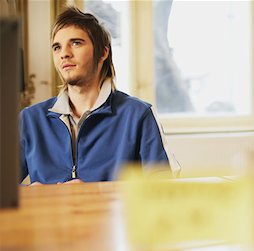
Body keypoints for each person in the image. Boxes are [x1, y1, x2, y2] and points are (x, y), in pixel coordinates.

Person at [20, 6, 179, 185]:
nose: (64, 54)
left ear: (103, 52)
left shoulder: (138, 115)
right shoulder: (30, 119)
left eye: (76, 43)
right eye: (57, 47)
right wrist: (28, 196)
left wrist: (93, 193)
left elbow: (164, 188)